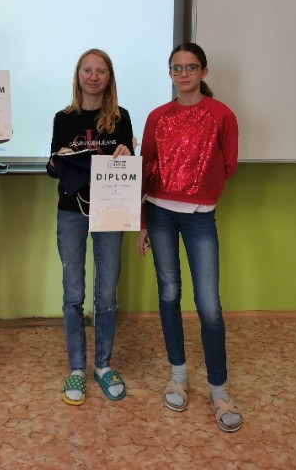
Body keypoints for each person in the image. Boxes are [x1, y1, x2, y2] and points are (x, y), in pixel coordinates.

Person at [136, 43, 242, 432]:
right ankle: (178, 375)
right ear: (170, 73)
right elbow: (145, 168)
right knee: (168, 294)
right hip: (159, 214)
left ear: (204, 72)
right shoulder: (156, 117)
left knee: (209, 305)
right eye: (177, 68)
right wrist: (143, 222)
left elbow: (227, 165)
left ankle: (219, 389)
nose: (184, 74)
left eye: (191, 67)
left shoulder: (221, 115)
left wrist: (197, 189)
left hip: (200, 217)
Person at [47, 48, 134, 405]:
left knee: (107, 292)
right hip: (71, 210)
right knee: (73, 292)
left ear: (109, 77)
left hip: (110, 211)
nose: (93, 77)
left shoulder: (121, 118)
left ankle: (102, 364)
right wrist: (59, 160)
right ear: (78, 75)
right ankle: (76, 369)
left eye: (100, 71)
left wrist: (126, 155)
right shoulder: (62, 118)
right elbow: (52, 166)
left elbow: (129, 164)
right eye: (87, 70)